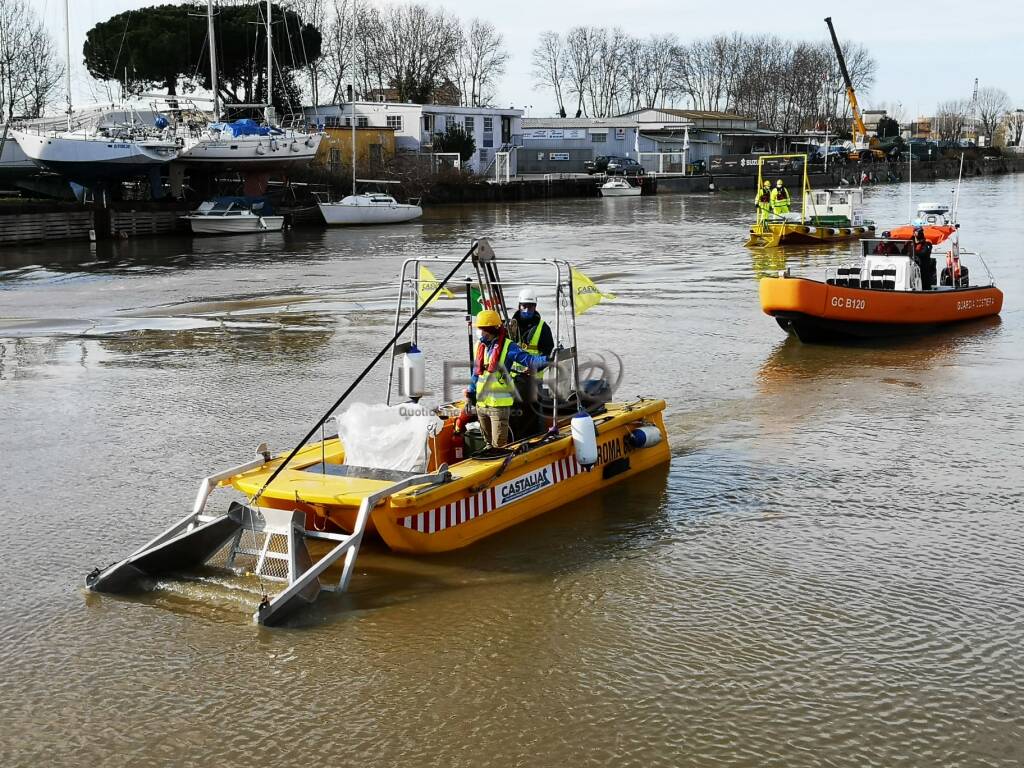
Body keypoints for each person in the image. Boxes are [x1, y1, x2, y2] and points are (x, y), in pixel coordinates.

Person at [465, 309, 547, 448]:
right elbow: (476, 373)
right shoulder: (479, 346)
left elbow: (530, 360)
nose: (479, 332)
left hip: (499, 406)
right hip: (481, 404)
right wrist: (469, 392)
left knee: (499, 446)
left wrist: (549, 358)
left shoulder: (509, 347)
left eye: (481, 329)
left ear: (489, 329)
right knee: (487, 445)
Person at [508, 288, 556, 438]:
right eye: (524, 306)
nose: (527, 309)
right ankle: (514, 437)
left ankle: (537, 437)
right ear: (519, 305)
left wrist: (534, 367)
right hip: (512, 378)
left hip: (534, 378)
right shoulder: (510, 327)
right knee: (513, 412)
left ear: (535, 307)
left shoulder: (543, 329)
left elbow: (548, 356)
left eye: (530, 306)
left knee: (535, 411)